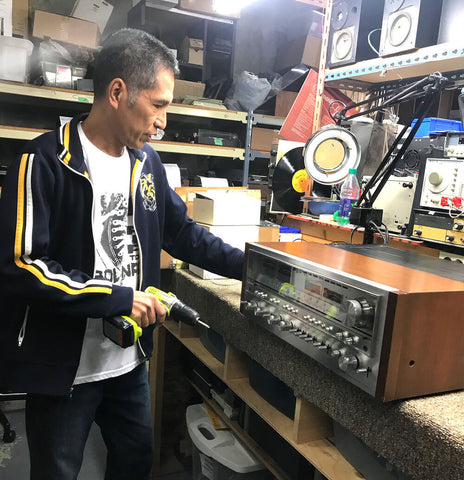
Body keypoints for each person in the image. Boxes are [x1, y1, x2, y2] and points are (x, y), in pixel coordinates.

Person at [0, 28, 244, 480]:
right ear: (117, 92)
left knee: (134, 463)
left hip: (127, 360)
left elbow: (183, 234)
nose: (163, 121)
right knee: (56, 472)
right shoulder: (43, 162)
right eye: (159, 105)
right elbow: (21, 267)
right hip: (62, 371)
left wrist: (254, 268)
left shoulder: (145, 163)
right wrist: (115, 298)